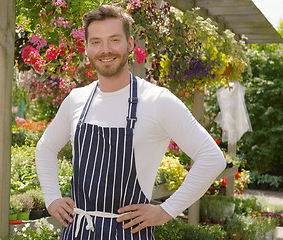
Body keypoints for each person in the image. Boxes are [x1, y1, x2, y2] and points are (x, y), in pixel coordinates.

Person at [35, 4, 226, 239]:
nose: (105, 50)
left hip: (130, 233)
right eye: (96, 42)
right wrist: (52, 196)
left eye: (114, 40)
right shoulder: (77, 99)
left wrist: (166, 211)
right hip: (77, 231)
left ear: (130, 44)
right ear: (86, 48)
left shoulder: (157, 100)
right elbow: (45, 147)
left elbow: (212, 158)